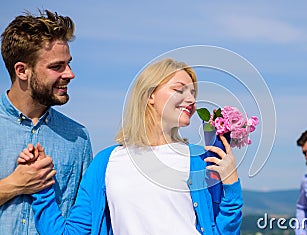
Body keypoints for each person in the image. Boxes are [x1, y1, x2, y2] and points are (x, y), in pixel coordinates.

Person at [19, 58, 243, 234]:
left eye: (193, 93)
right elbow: (73, 232)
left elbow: (223, 229)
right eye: (180, 89)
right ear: (150, 95)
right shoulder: (106, 163)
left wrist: (231, 183)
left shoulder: (200, 159)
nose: (191, 99)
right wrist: (42, 188)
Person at [0, 9, 93, 234]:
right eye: (56, 66)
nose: (70, 74)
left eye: (68, 64)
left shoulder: (78, 137)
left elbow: (84, 221)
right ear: (22, 70)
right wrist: (14, 185)